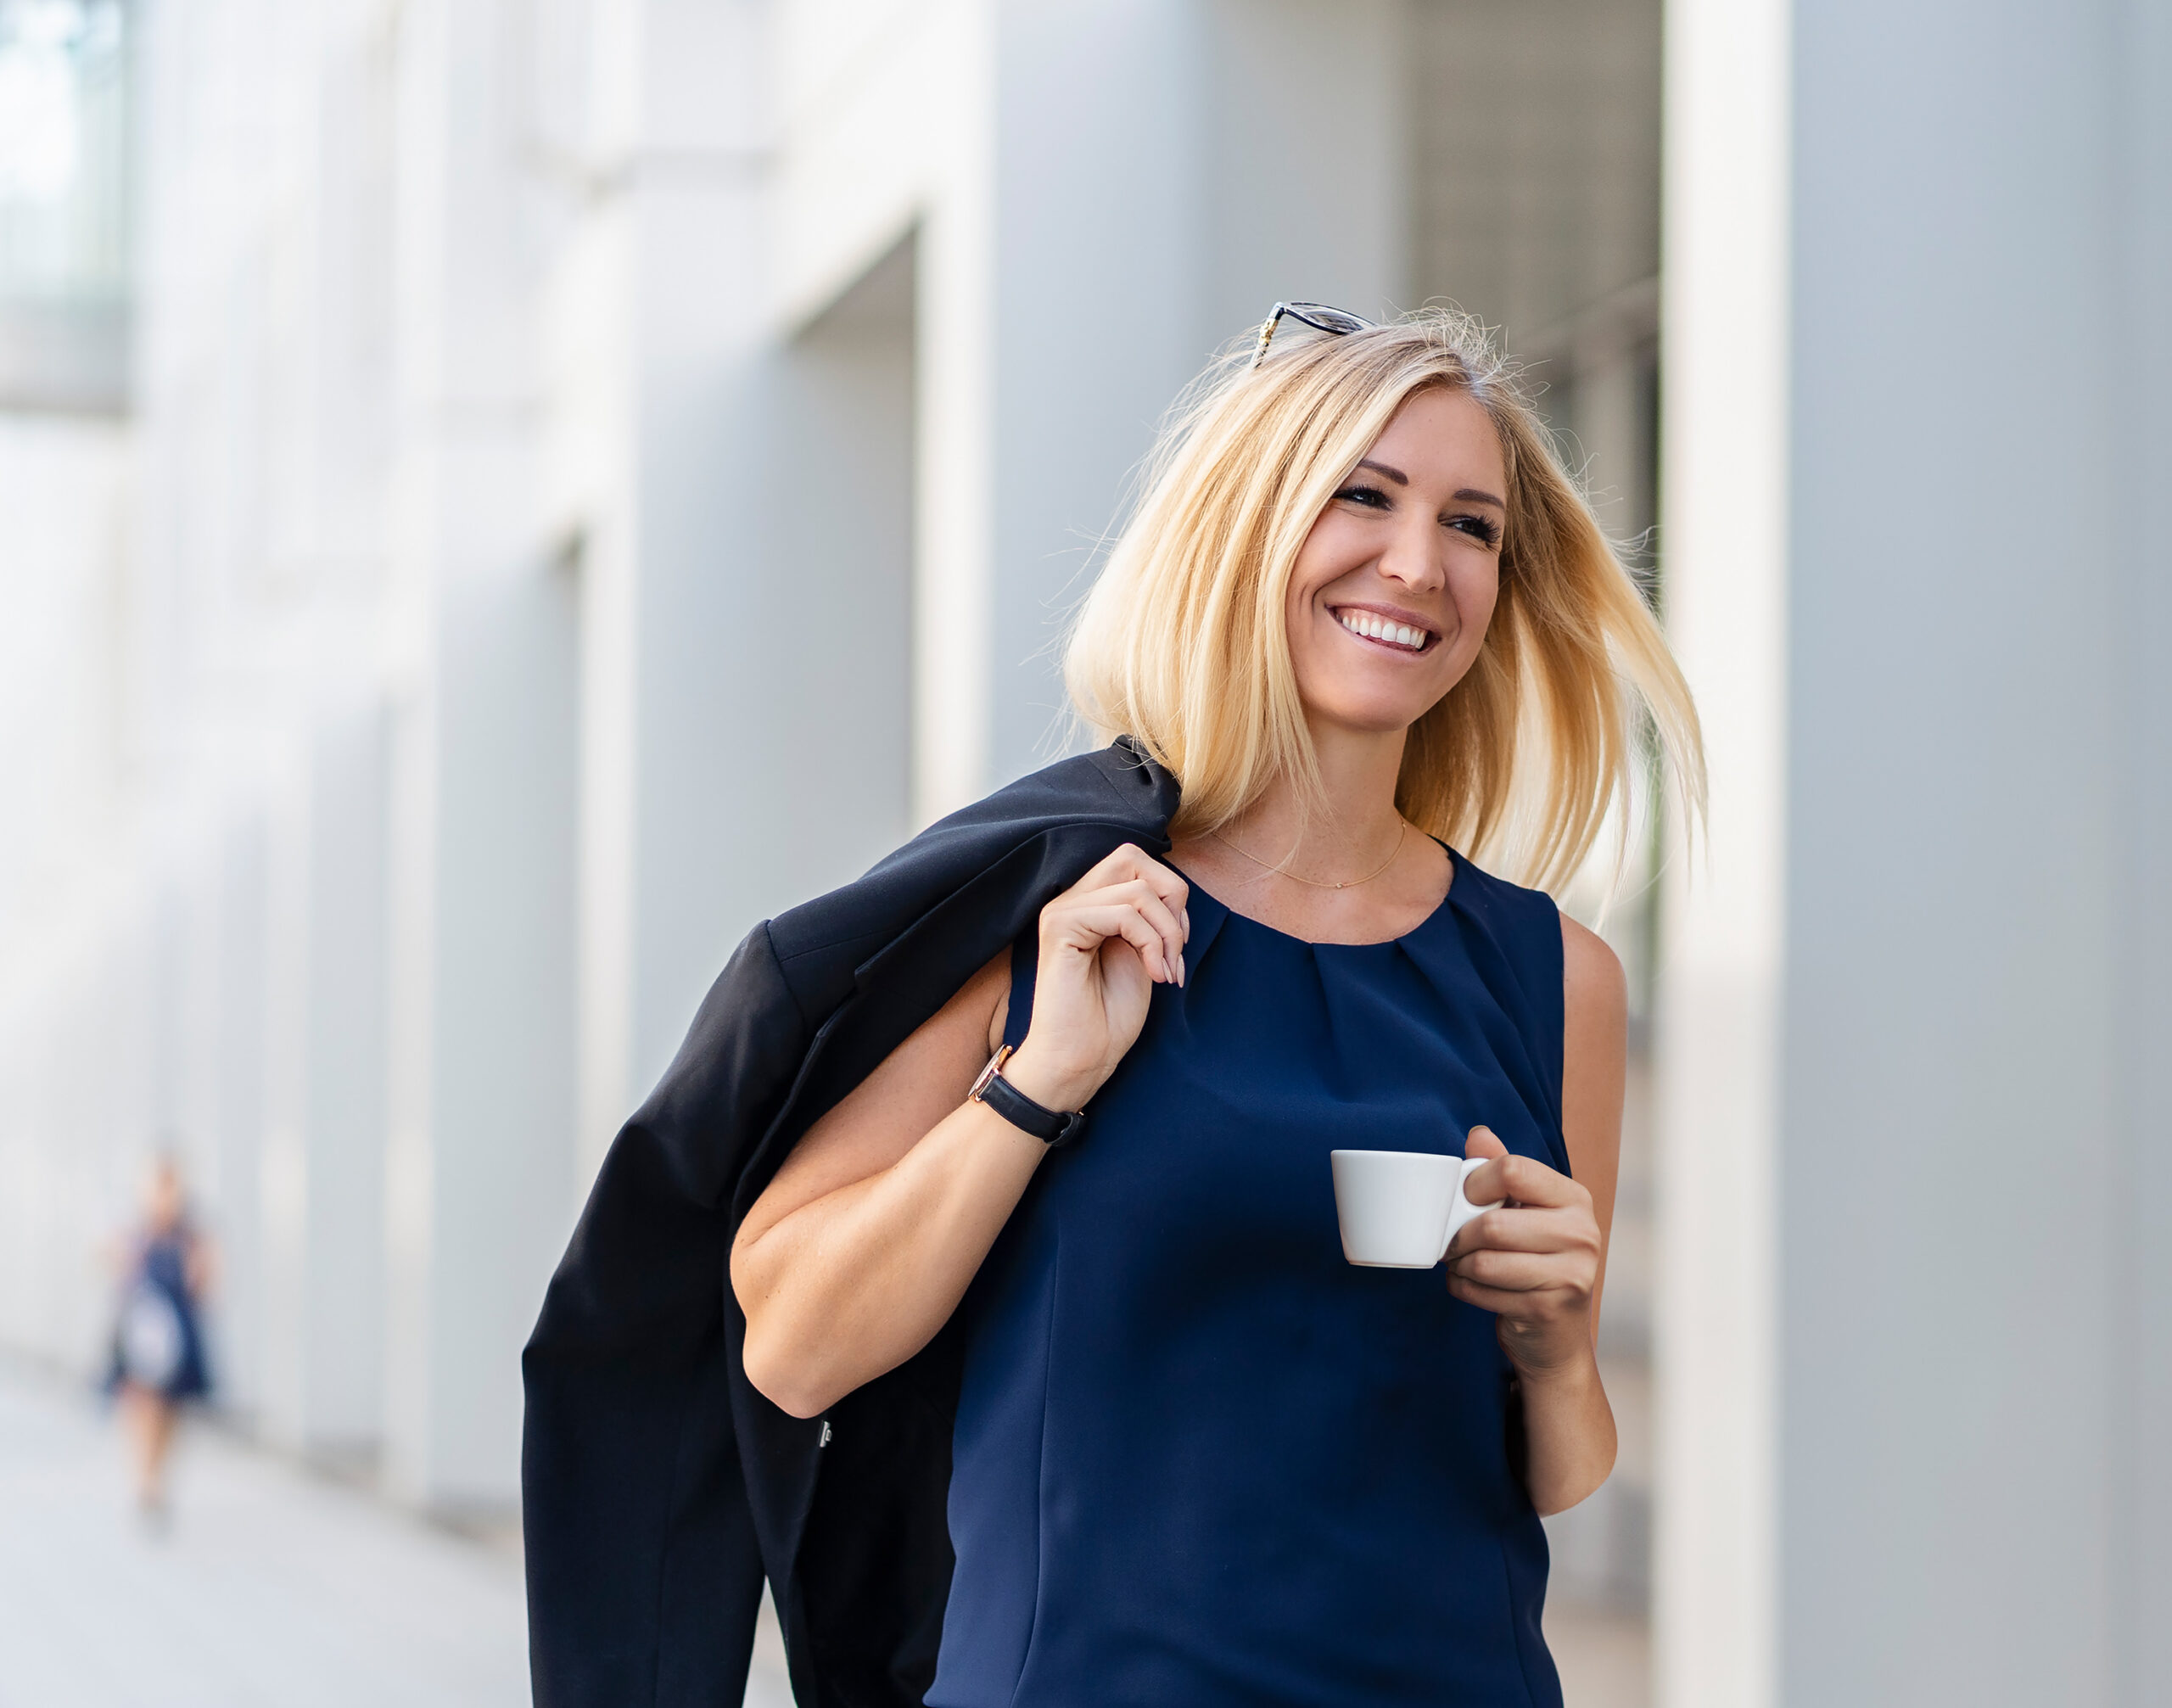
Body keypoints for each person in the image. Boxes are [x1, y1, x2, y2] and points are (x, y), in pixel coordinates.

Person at [521, 304, 1701, 1707]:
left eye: (1472, 525)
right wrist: (1029, 1090)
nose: (1418, 561)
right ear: (1247, 528)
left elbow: (1553, 1469)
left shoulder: (1557, 976)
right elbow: (790, 1343)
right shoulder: (1053, 921)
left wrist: (1557, 1344)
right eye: (1363, 497)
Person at [105, 1152, 216, 1528]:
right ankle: (147, 1482)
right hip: (141, 1337)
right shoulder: (137, 1233)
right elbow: (110, 1267)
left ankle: (156, 1476)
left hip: (179, 1336)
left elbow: (208, 1283)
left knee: (171, 1411)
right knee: (144, 1407)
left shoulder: (192, 1237)